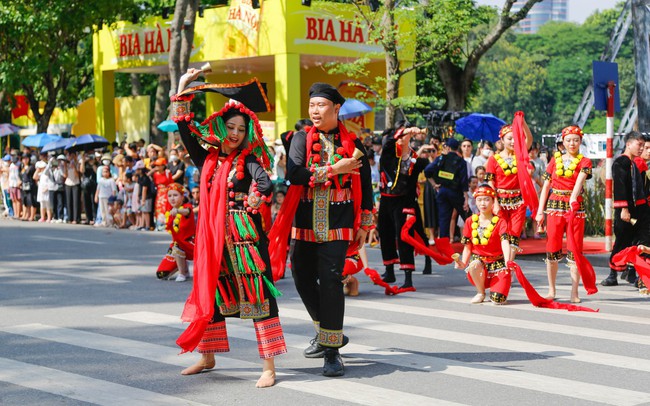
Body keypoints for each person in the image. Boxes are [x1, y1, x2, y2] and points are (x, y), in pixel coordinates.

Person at [172, 69, 287, 388]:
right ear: (221, 127)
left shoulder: (248, 159)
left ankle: (269, 366)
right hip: (214, 240)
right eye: (231, 127)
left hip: (246, 241)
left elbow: (265, 181)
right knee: (215, 294)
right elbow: (183, 127)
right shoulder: (208, 158)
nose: (235, 133)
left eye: (241, 128)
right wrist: (183, 86)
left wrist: (252, 200)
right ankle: (208, 356)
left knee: (259, 297)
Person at [269, 82, 374, 377]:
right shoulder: (300, 139)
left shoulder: (354, 144)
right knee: (301, 276)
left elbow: (365, 187)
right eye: (312, 105)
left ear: (336, 108)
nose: (315, 111)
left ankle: (331, 350)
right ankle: (329, 331)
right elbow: (295, 174)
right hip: (304, 220)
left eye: (321, 105)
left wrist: (366, 223)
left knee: (330, 279)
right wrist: (333, 170)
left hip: (339, 221)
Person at [535, 125, 594, 303]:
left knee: (575, 249)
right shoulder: (555, 160)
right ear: (563, 142)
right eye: (568, 140)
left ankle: (574, 292)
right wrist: (539, 211)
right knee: (552, 248)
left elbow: (580, 182)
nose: (572, 143)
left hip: (575, 208)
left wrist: (573, 199)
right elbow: (545, 187)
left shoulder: (585, 161)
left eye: (576, 140)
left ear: (580, 141)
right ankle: (551, 289)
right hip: (554, 206)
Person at [377, 123, 433, 286]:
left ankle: (408, 277)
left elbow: (430, 170)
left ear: (410, 138)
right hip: (387, 199)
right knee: (385, 235)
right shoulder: (388, 153)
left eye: (405, 136)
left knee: (405, 237)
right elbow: (388, 141)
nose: (401, 139)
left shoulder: (416, 158)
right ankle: (389, 272)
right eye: (400, 135)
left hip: (405, 201)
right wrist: (406, 131)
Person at [601, 131, 648, 287]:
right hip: (625, 210)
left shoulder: (635, 163)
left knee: (639, 242)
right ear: (629, 144)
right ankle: (612, 274)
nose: (641, 148)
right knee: (622, 241)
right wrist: (624, 209)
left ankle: (633, 273)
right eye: (639, 145)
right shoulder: (620, 162)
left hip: (639, 209)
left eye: (643, 145)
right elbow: (620, 188)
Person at [454, 184, 511, 304]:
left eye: (486, 199)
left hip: (498, 263)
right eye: (479, 200)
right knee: (474, 264)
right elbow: (467, 247)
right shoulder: (470, 221)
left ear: (492, 201)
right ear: (475, 201)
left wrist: (508, 261)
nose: (483, 203)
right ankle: (480, 292)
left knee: (498, 299)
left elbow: (505, 242)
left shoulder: (500, 221)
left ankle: (499, 285)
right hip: (479, 265)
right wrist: (463, 262)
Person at [486, 121, 533, 259]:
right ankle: (501, 262)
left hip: (518, 200)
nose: (513, 142)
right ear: (502, 140)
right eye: (510, 138)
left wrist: (523, 123)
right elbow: (490, 182)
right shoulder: (493, 159)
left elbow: (529, 139)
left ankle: (509, 265)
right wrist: (494, 202)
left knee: (514, 233)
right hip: (499, 200)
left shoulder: (520, 155)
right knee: (501, 233)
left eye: (516, 138)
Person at [424, 138, 469, 247]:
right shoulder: (461, 161)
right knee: (467, 217)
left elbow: (427, 171)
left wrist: (434, 184)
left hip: (442, 191)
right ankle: (475, 240)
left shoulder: (440, 159)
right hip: (456, 192)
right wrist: (466, 198)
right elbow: (464, 181)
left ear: (448, 148)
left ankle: (443, 246)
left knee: (443, 219)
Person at [156, 182, 195, 282]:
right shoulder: (169, 211)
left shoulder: (187, 207)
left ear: (182, 197)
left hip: (191, 243)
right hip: (178, 243)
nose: (172, 198)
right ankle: (184, 268)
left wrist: (178, 211)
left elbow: (187, 212)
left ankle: (182, 273)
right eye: (169, 196)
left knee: (177, 247)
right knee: (161, 274)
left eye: (175, 195)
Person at [151, 157, 173, 230]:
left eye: (159, 165)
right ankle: (159, 224)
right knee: (158, 209)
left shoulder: (167, 173)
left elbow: (171, 183)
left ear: (163, 166)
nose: (157, 167)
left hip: (166, 193)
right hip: (159, 193)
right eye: (156, 165)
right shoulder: (155, 174)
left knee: (166, 208)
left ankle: (166, 224)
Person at [64, 151, 82, 224]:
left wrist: (74, 167)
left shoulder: (78, 164)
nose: (71, 157)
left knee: (76, 202)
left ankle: (76, 218)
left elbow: (78, 175)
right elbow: (65, 175)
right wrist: (65, 166)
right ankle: (69, 217)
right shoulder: (67, 164)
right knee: (68, 201)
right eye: (69, 156)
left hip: (75, 183)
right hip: (68, 183)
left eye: (72, 155)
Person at [80, 153, 97, 225]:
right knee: (86, 201)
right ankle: (88, 218)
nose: (90, 157)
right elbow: (82, 171)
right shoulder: (85, 163)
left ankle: (95, 217)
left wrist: (93, 164)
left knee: (93, 201)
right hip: (86, 185)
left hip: (93, 184)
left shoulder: (96, 163)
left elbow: (97, 171)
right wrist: (83, 161)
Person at [34, 155, 52, 223]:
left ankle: (49, 217)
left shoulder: (47, 173)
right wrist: (37, 170)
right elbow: (34, 177)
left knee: (48, 204)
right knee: (42, 204)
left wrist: (47, 188)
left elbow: (50, 182)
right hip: (41, 190)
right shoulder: (40, 174)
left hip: (46, 190)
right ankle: (42, 217)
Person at [19, 153, 37, 221]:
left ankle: (32, 216)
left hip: (31, 186)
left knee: (31, 201)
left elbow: (31, 177)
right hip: (24, 186)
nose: (25, 160)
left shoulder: (31, 167)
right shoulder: (22, 167)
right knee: (25, 201)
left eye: (26, 158)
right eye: (23, 159)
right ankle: (25, 215)